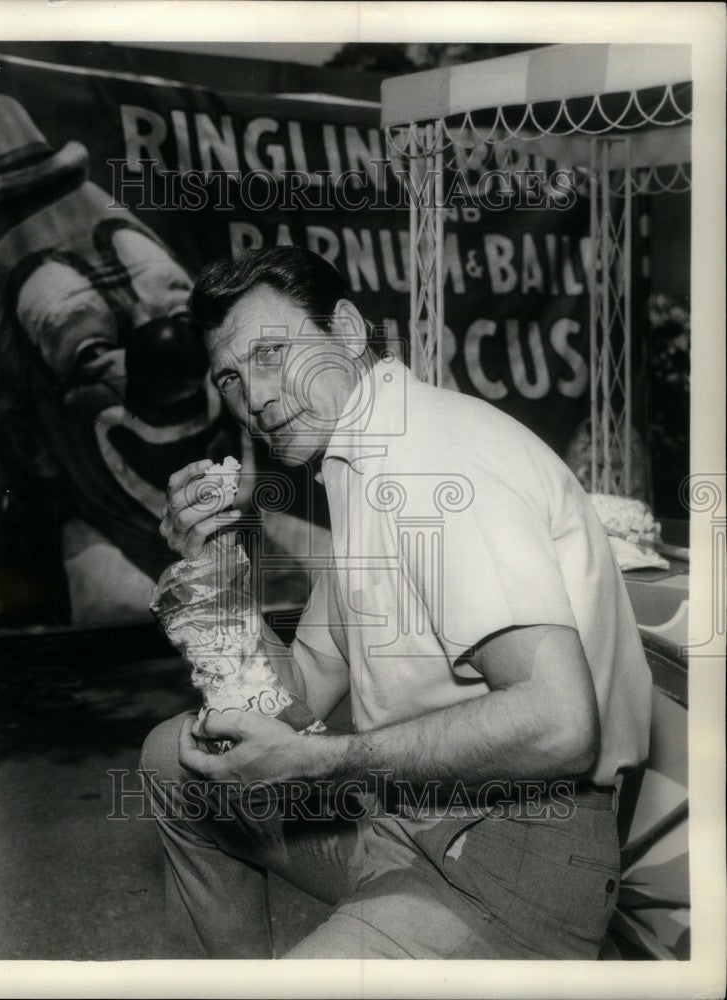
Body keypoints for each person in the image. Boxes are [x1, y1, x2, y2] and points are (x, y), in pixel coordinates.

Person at [140, 246, 652, 959]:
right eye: (230, 375)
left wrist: (313, 763)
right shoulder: (359, 457)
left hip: (511, 857)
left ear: (347, 331)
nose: (252, 397)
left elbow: (559, 725)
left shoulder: (429, 462)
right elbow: (294, 698)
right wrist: (215, 571)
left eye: (270, 353)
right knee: (176, 760)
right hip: (404, 814)